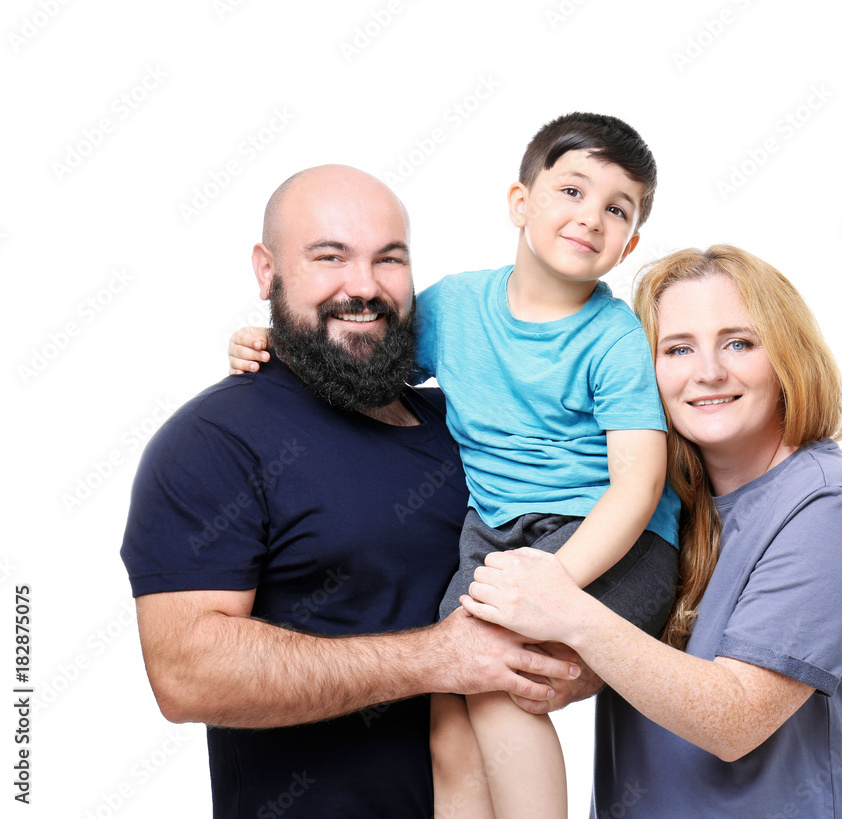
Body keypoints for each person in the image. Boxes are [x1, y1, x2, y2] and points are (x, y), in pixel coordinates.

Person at [229, 113, 682, 819]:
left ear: (630, 243)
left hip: (612, 537)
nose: (591, 217)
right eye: (571, 191)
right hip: (499, 534)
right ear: (520, 202)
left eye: (616, 209)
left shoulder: (612, 338)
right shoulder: (457, 306)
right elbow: (363, 362)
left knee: (497, 680)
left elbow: (638, 484)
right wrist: (272, 344)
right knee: (447, 697)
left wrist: (551, 583)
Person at [119, 165, 585, 819]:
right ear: (267, 270)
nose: (364, 287)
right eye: (330, 256)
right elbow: (185, 670)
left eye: (389, 260)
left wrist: (567, 663)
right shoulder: (214, 440)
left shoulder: (468, 425)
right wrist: (438, 658)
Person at [461, 245, 842, 817]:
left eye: (739, 342)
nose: (709, 371)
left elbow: (735, 719)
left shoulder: (827, 507)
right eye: (678, 348)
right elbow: (644, 664)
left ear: (789, 359)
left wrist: (567, 609)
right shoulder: (658, 506)